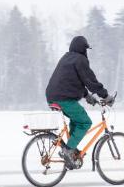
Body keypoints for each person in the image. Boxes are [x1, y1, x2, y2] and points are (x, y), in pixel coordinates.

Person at [45, 36, 114, 169]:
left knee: (76, 121)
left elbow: (71, 81)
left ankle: (71, 150)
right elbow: (90, 80)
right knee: (85, 122)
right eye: (86, 49)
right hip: (64, 98)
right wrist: (105, 96)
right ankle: (68, 150)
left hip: (52, 96)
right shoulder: (80, 60)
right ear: (83, 49)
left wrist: (87, 96)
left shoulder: (67, 58)